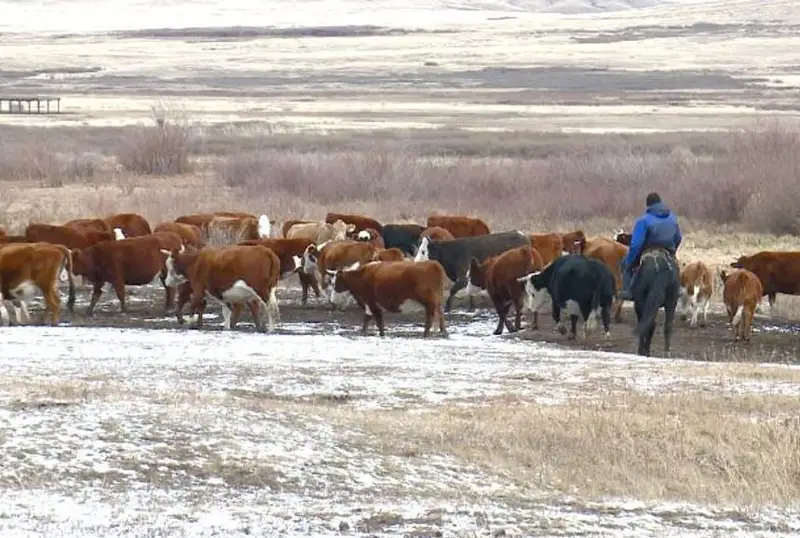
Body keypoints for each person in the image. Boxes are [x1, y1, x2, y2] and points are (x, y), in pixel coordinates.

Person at [618, 192, 682, 301]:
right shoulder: (673, 218)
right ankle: (678, 289)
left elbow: (636, 244)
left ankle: (628, 290)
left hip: (648, 250)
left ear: (648, 205)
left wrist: (629, 261)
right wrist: (672, 251)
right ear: (660, 202)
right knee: (675, 266)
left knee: (625, 263)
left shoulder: (644, 220)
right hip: (667, 250)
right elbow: (679, 237)